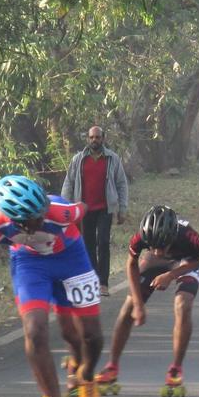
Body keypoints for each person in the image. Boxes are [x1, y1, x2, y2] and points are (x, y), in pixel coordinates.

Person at [0, 175, 104, 397]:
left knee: (90, 337)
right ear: (17, 221)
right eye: (35, 219)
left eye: (42, 213)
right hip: (30, 264)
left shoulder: (60, 211)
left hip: (72, 258)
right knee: (34, 330)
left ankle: (85, 376)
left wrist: (84, 252)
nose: (42, 219)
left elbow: (84, 209)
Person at [95, 205, 199, 397]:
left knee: (183, 304)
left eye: (161, 246)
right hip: (155, 265)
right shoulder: (141, 236)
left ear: (172, 237)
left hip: (186, 261)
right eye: (152, 245)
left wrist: (171, 275)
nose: (156, 251)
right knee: (129, 306)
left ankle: (175, 369)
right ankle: (111, 366)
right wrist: (139, 305)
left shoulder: (189, 236)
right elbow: (131, 264)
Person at [61, 126, 129, 296]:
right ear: (88, 139)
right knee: (88, 244)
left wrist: (123, 209)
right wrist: (65, 208)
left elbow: (121, 184)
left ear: (103, 138)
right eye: (91, 137)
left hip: (105, 208)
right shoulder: (79, 159)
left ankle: (104, 283)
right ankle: (93, 281)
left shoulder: (112, 159)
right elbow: (68, 183)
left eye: (97, 137)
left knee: (103, 242)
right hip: (84, 209)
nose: (94, 140)